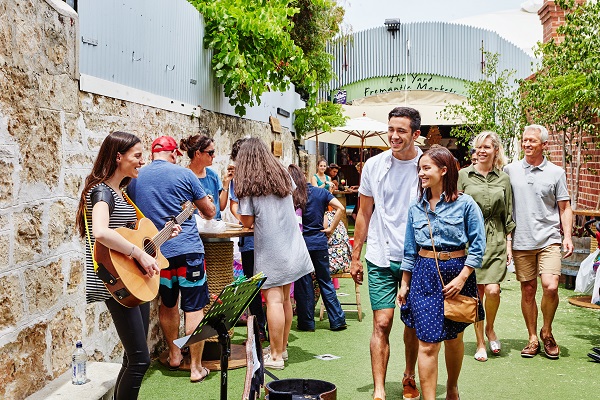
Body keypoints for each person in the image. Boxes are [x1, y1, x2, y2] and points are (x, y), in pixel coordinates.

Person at [75, 131, 181, 399]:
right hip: (115, 282)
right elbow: (100, 232)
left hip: (133, 280)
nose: (141, 161)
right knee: (140, 360)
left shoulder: (120, 193)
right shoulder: (102, 192)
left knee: (131, 358)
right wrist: (139, 253)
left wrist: (159, 239)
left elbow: (128, 238)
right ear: (118, 156)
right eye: (137, 156)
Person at [398, 145, 486, 400]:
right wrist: (404, 283)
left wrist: (462, 277)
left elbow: (478, 247)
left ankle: (452, 387)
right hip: (423, 275)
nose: (421, 174)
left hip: (457, 274)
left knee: (454, 338)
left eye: (426, 168)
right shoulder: (416, 207)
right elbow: (409, 251)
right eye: (420, 169)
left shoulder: (466, 204)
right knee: (427, 341)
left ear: (444, 170)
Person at [127, 135, 216, 383]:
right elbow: (209, 213)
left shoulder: (135, 179)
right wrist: (204, 203)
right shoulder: (184, 174)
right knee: (194, 308)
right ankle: (197, 368)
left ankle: (175, 356)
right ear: (174, 153)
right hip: (189, 253)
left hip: (158, 254)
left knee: (168, 305)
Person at [350, 106, 423, 400]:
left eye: (401, 131)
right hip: (379, 254)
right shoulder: (374, 166)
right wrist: (355, 255)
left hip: (417, 258)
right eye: (390, 129)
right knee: (382, 322)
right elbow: (364, 213)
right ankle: (379, 389)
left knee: (413, 323)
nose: (393, 136)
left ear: (415, 134)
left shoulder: (427, 165)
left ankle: (408, 375)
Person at [235, 138, 313, 370]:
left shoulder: (249, 184)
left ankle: (276, 356)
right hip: (292, 244)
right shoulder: (282, 175)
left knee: (273, 301)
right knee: (285, 299)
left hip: (271, 247)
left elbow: (247, 221)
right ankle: (282, 348)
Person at [504, 124, 574, 359]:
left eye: (532, 141)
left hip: (549, 239)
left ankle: (547, 330)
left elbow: (564, 207)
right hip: (522, 240)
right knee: (528, 290)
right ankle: (533, 337)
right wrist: (506, 240)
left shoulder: (556, 173)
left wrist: (567, 236)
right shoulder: (510, 170)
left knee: (551, 286)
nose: (527, 144)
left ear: (544, 145)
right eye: (524, 140)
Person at [458, 131, 515, 362]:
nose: (481, 151)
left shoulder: (504, 179)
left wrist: (509, 244)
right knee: (475, 294)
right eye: (478, 147)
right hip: (470, 239)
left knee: (493, 290)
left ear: (496, 151)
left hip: (497, 239)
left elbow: (508, 214)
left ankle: (490, 327)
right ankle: (481, 341)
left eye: (487, 147)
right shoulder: (463, 175)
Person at [288, 164, 347, 332]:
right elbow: (340, 208)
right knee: (325, 280)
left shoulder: (293, 196)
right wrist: (331, 228)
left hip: (301, 244)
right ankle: (337, 320)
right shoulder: (320, 192)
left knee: (303, 283)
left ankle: (306, 323)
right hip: (319, 242)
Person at [228, 138, 267, 343]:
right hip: (254, 240)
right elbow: (234, 206)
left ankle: (261, 330)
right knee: (257, 289)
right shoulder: (238, 180)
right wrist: (242, 219)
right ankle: (261, 330)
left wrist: (245, 219)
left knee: (258, 289)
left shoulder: (256, 178)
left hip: (258, 240)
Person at [180, 134, 228, 219]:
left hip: (214, 228)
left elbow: (220, 207)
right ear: (198, 153)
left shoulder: (213, 176)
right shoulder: (183, 178)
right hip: (195, 230)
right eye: (211, 152)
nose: (214, 156)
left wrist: (226, 185)